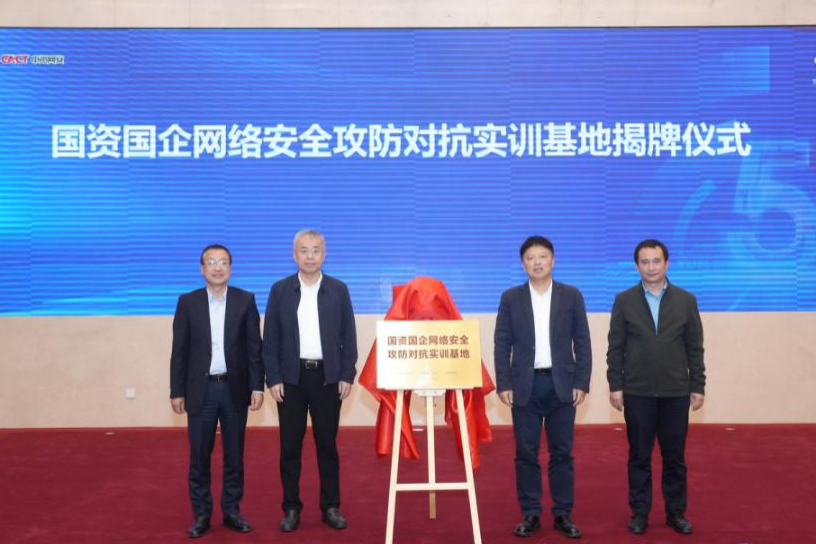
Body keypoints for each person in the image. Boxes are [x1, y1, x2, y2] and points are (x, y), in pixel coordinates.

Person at [494, 236, 592, 539]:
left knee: (562, 452)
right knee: (526, 452)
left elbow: (583, 341)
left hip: (563, 384)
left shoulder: (571, 295)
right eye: (530, 258)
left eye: (543, 256)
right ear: (523, 263)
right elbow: (502, 343)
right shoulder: (511, 298)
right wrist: (504, 382)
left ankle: (563, 514)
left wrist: (582, 381)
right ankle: (531, 513)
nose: (537, 262)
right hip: (525, 385)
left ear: (553, 260)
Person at [606, 239, 706, 536]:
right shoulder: (624, 300)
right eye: (645, 262)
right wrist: (615, 384)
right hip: (637, 392)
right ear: (637, 266)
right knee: (639, 456)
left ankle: (676, 513)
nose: (651, 267)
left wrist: (698, 385)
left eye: (656, 261)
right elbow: (615, 347)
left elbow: (694, 347)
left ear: (667, 263)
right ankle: (640, 513)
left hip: (676, 392)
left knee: (674, 457)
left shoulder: (686, 300)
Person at [262, 229, 357, 532]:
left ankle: (330, 506)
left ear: (324, 255)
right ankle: (291, 507)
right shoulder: (280, 290)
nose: (310, 256)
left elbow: (349, 336)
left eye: (315, 250)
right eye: (303, 250)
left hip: (328, 379)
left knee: (327, 445)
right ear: (294, 255)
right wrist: (273, 377)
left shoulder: (338, 290)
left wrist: (346, 373)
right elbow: (270, 338)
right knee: (290, 446)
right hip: (291, 379)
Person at [169, 244, 264, 538]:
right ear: (202, 269)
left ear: (231, 268)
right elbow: (179, 350)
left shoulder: (245, 300)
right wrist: (176, 390)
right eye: (211, 262)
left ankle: (232, 510)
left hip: (235, 389)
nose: (217, 267)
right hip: (201, 390)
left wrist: (257, 386)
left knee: (234, 455)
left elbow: (254, 348)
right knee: (199, 456)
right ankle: (201, 513)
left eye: (223, 262)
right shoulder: (188, 302)